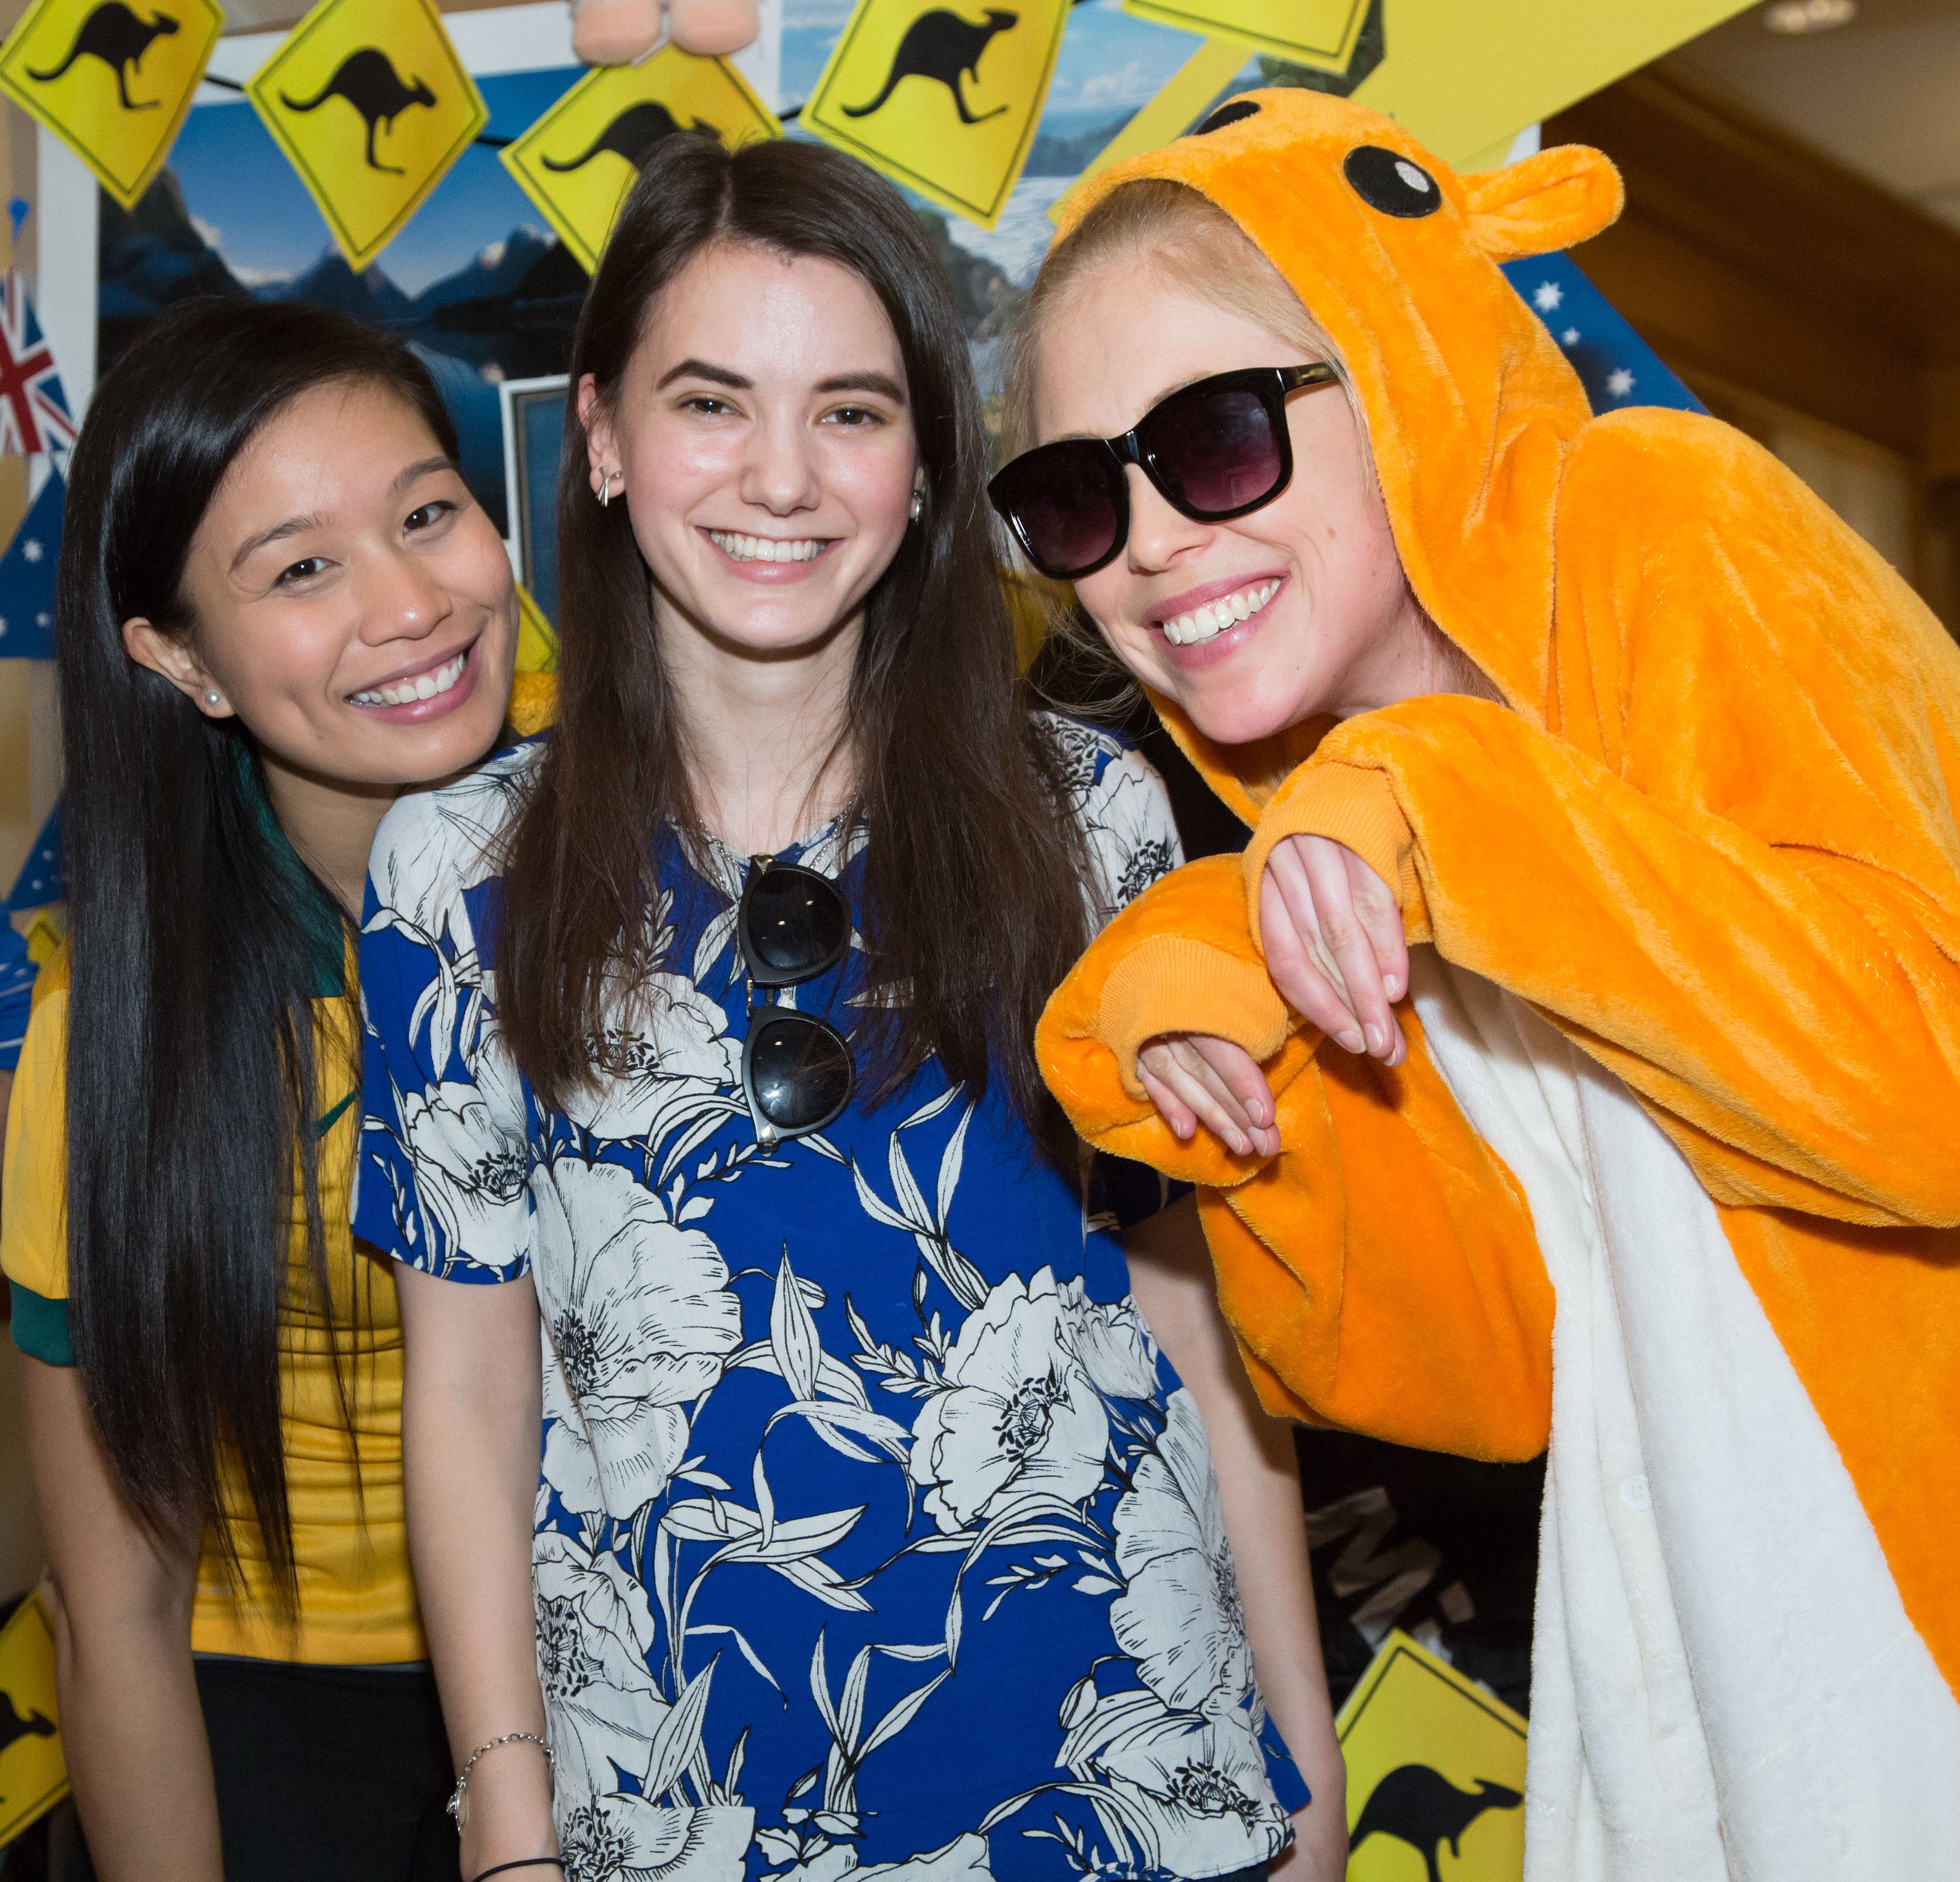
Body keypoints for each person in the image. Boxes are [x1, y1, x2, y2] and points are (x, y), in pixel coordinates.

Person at [354, 132, 1347, 1882]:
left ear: (925, 467)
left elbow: (1194, 1317)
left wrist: (1300, 1758)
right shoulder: (451, 870)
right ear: (598, 437)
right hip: (680, 1800)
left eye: (854, 412)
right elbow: (471, 1390)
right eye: (712, 403)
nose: (783, 478)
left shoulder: (1090, 812)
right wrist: (507, 1818)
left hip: (1119, 1774)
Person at [998, 88, 1960, 1878]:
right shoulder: (1334, 801)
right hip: (1706, 1674)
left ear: (1405, 371)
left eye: (1212, 441)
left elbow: (1932, 1084)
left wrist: (1438, 810)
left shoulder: (1655, 522)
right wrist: (1253, 1111)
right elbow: (1498, 1369)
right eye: (1072, 494)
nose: (1146, 542)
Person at [2, 297, 519, 1880]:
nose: (413, 603)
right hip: (267, 1730)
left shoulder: (644, 908)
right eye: (301, 568)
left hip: (619, 1675)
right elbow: (116, 1613)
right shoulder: (114, 1033)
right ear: (181, 660)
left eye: (428, 514)